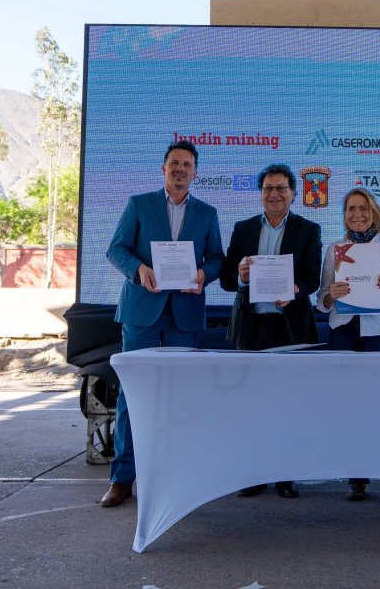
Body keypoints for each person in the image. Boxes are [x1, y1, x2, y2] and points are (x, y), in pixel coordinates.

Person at [100, 140, 224, 508]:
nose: (180, 169)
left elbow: (217, 257)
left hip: (185, 315)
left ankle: (175, 476)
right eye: (174, 163)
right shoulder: (139, 204)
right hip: (142, 312)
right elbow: (116, 249)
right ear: (163, 168)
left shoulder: (207, 213)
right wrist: (138, 269)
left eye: (187, 164)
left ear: (196, 172)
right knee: (133, 394)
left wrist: (204, 273)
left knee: (181, 396)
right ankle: (122, 478)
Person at [221, 163, 322, 499]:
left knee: (288, 404)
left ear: (293, 193)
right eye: (268, 188)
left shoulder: (308, 229)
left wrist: (295, 289)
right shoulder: (244, 228)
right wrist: (241, 277)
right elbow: (226, 279)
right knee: (250, 404)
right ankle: (253, 473)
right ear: (261, 193)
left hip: (290, 327)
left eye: (280, 188)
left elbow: (312, 277)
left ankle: (285, 474)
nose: (274, 194)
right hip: (252, 328)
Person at [316, 187, 380, 508]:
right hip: (344, 331)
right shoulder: (335, 249)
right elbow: (322, 299)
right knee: (350, 406)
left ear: (374, 212)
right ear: (344, 215)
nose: (357, 214)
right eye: (351, 209)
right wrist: (331, 294)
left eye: (363, 208)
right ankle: (357, 479)